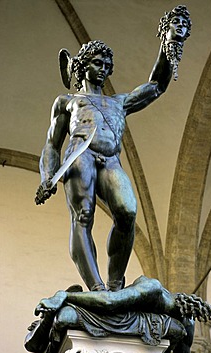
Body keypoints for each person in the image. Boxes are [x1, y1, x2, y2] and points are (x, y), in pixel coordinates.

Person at [35, 6, 191, 292]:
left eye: (107, 65)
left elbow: (156, 85)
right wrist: (47, 175)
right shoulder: (67, 101)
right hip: (80, 156)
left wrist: (169, 42)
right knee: (83, 216)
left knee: (127, 212)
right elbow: (51, 144)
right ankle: (96, 287)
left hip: (110, 161)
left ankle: (115, 283)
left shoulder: (119, 102)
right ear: (83, 66)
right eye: (97, 63)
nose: (104, 69)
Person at [25, 276, 211, 353]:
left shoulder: (184, 323)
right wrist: (64, 296)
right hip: (113, 313)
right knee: (65, 317)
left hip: (132, 321)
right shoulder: (152, 289)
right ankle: (63, 300)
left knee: (66, 317)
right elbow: (110, 302)